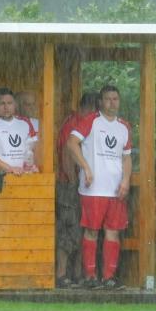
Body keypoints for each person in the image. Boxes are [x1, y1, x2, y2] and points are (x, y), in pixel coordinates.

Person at [67, 85, 132, 289]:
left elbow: (127, 157)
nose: (112, 103)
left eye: (115, 99)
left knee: (113, 231)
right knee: (92, 231)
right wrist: (85, 167)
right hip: (93, 188)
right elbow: (71, 143)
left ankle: (108, 277)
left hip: (115, 190)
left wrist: (126, 180)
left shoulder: (124, 127)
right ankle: (90, 277)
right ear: (101, 102)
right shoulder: (91, 121)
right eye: (108, 99)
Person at [55, 92, 100, 288]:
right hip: (69, 185)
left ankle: (78, 273)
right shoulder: (74, 124)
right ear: (92, 108)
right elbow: (67, 155)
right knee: (69, 228)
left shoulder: (80, 122)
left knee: (81, 229)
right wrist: (73, 182)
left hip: (81, 185)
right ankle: (62, 274)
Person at [0, 87, 38, 175]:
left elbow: (36, 147)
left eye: (9, 103)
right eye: (2, 104)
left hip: (24, 176)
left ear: (14, 104)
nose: (6, 107)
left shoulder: (25, 122)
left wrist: (32, 165)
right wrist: (9, 168)